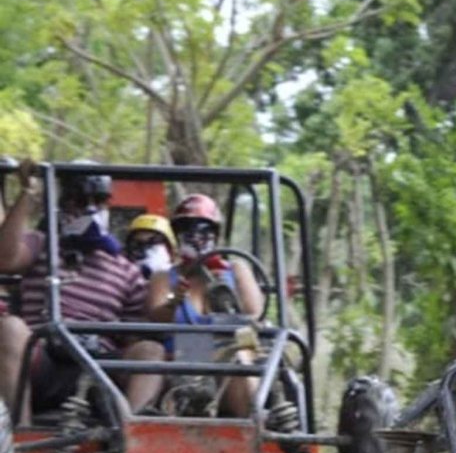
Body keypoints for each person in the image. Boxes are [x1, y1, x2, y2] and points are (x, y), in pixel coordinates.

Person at [0, 168, 167, 420]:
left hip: (101, 368)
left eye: (98, 201)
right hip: (42, 361)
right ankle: (21, 439)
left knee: (151, 350)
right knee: (10, 328)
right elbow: (5, 258)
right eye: (79, 200)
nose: (90, 209)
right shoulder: (43, 244)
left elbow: (134, 336)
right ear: (63, 204)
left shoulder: (125, 268)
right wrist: (28, 193)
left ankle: (132, 440)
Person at [157, 194, 266, 417]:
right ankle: (194, 415)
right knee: (196, 348)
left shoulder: (235, 269)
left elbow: (255, 313)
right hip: (182, 356)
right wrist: (173, 300)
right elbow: (153, 317)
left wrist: (224, 293)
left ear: (215, 234)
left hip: (232, 350)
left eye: (204, 229)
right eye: (187, 228)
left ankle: (254, 429)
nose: (196, 236)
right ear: (177, 235)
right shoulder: (165, 277)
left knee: (238, 355)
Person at [124, 214, 177, 279]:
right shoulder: (123, 273)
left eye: (152, 243)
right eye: (138, 244)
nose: (144, 250)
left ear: (168, 248)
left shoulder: (176, 280)